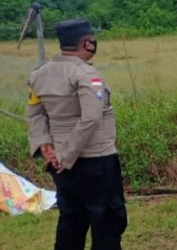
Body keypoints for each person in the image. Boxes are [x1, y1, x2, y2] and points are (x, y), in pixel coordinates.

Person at [27, 18, 127, 250]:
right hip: (96, 161)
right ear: (86, 43)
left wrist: (47, 146)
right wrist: (67, 155)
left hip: (61, 164)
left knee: (71, 219)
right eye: (92, 39)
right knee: (107, 221)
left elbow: (35, 114)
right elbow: (91, 117)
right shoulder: (87, 75)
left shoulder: (39, 74)